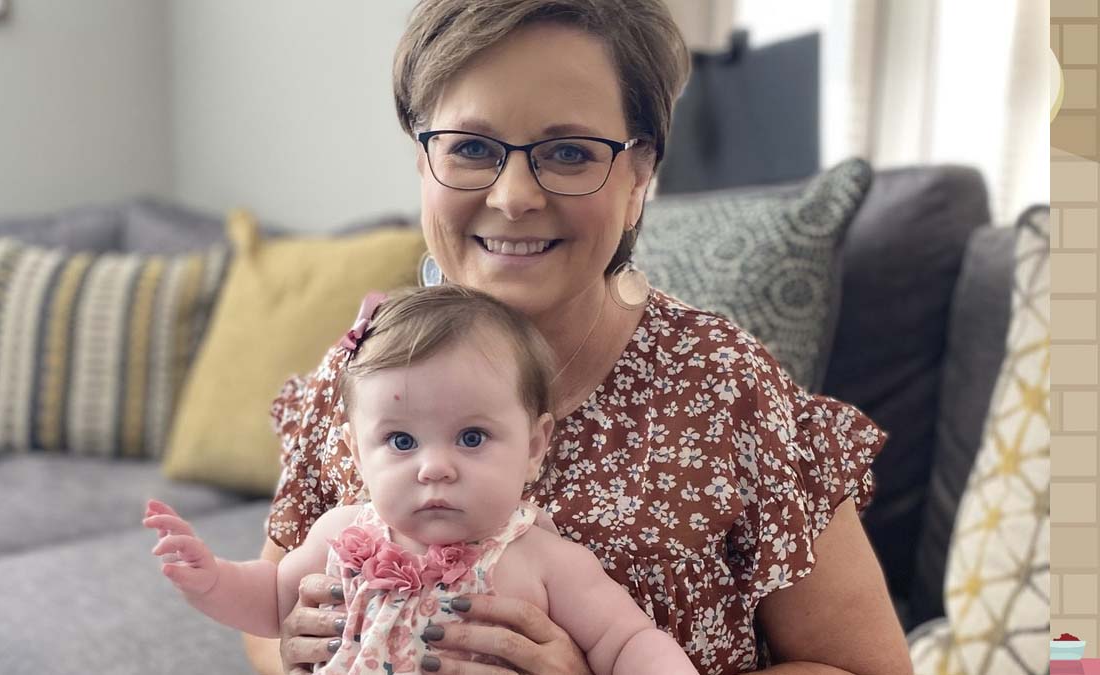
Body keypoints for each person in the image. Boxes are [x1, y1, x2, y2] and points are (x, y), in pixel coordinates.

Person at [250, 1, 914, 673]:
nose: (514, 196)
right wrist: (294, 645)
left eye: (568, 152)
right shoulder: (362, 365)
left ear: (638, 176)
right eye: (472, 148)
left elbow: (867, 668)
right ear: (423, 164)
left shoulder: (727, 389)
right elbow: (266, 617)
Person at [145, 285, 699, 674]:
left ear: (534, 448)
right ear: (357, 457)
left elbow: (629, 643)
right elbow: (271, 601)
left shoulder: (544, 560)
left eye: (473, 437)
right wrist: (210, 577)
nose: (435, 466)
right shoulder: (340, 533)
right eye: (402, 442)